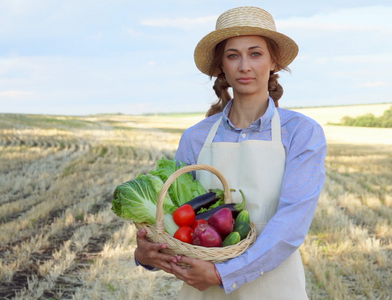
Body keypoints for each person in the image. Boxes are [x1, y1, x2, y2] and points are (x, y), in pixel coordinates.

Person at [134, 6, 327, 299]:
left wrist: (223, 274)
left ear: (273, 61)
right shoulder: (196, 137)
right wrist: (147, 255)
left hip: (272, 287)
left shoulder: (301, 133)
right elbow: (178, 220)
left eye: (255, 53)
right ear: (222, 66)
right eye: (233, 55)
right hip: (203, 290)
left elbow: (291, 224)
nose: (244, 66)